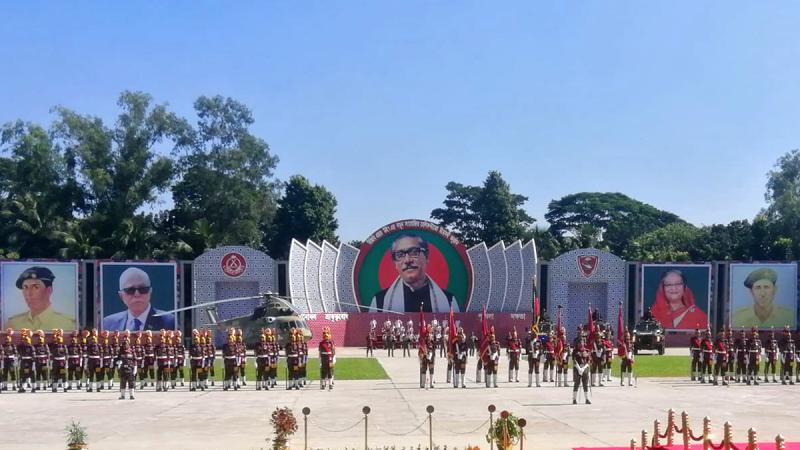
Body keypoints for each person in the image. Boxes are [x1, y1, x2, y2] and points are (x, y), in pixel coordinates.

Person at [367, 233, 459, 312]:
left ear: (426, 257)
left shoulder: (449, 301)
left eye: (414, 252)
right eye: (400, 255)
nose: (407, 260)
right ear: (395, 263)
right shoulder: (379, 302)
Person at [102, 267, 175, 331]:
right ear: (121, 296)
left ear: (150, 292)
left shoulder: (170, 322)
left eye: (143, 289)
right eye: (130, 290)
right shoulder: (108, 324)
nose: (137, 294)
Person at [6, 267, 76, 330]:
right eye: (25, 287)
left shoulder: (68, 324)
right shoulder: (13, 324)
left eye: (35, 287)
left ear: (49, 290)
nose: (29, 293)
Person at [572, 335, 591, 405]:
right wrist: (579, 368)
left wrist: (583, 368)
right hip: (577, 369)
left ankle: (587, 399)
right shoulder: (575, 351)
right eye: (580, 342)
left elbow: (588, 361)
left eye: (582, 342)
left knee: (585, 384)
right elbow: (574, 361)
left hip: (585, 369)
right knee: (576, 384)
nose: (581, 343)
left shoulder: (586, 351)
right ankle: (574, 399)